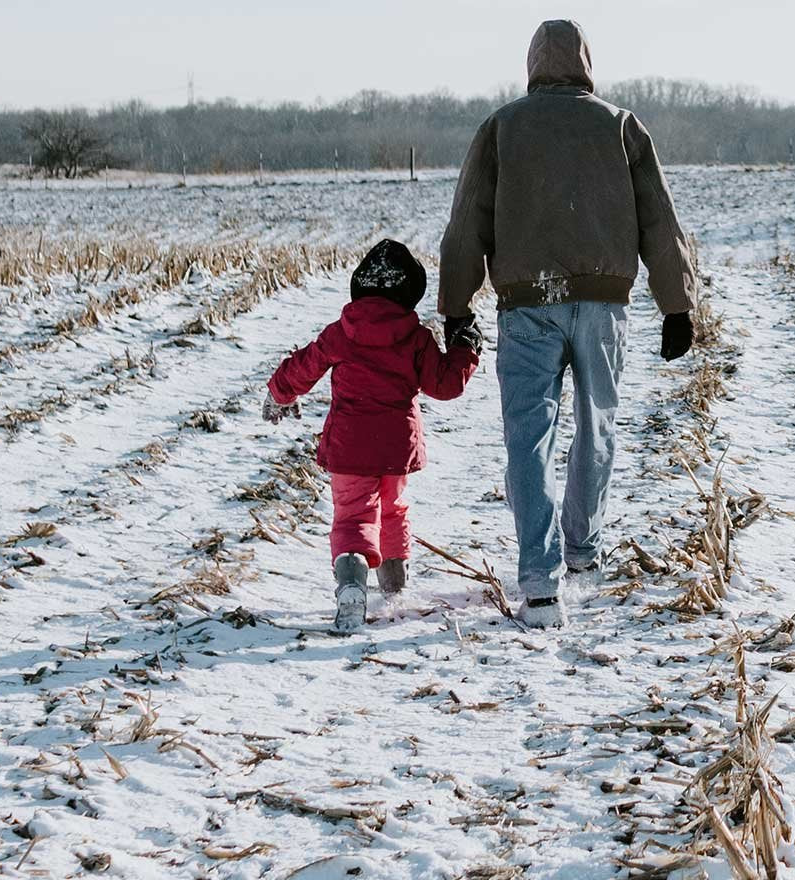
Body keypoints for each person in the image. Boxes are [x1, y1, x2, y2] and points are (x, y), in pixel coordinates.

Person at [437, 19, 701, 629]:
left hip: (526, 305)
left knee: (528, 439)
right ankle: (582, 554)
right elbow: (659, 219)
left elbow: (467, 222)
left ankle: (539, 581)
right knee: (595, 426)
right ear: (585, 62)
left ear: (532, 63)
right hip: (604, 304)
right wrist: (677, 304)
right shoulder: (621, 125)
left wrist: (455, 308)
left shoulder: (501, 128)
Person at [264, 239, 482, 633]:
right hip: (395, 447)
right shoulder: (415, 338)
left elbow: (304, 366)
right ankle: (395, 585)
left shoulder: (341, 333)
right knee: (393, 508)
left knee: (353, 515)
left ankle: (351, 587)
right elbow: (445, 384)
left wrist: (280, 393)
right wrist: (466, 346)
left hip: (349, 446)